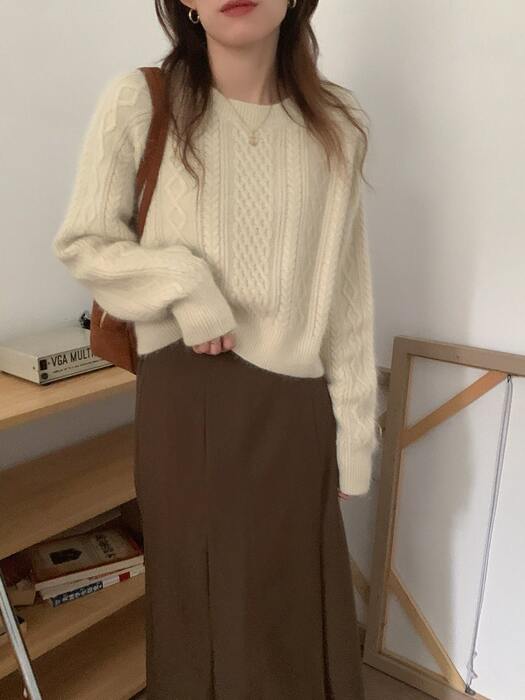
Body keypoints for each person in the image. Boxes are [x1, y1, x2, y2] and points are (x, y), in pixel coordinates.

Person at [52, 0, 378, 697]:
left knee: (292, 613)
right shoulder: (141, 102)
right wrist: (186, 285)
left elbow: (347, 291)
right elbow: (84, 243)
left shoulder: (339, 122)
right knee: (196, 611)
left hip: (293, 413)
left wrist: (356, 433)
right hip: (185, 398)